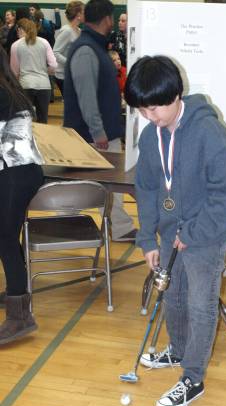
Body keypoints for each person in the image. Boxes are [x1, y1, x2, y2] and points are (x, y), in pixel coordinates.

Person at [124, 55, 226, 406]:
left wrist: (194, 231)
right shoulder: (151, 137)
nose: (150, 117)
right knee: (173, 296)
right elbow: (147, 189)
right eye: (142, 110)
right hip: (169, 233)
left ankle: (192, 378)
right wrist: (148, 239)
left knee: (199, 304)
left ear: (176, 95)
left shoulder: (209, 134)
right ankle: (177, 350)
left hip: (205, 236)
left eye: (155, 108)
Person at [64, 0, 136, 242]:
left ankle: (121, 227)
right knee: (104, 185)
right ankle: (117, 228)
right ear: (107, 19)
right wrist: (98, 132)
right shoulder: (86, 49)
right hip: (94, 136)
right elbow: (86, 96)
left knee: (108, 186)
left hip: (99, 133)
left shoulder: (93, 46)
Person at [0, 45, 44, 344]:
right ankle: (17, 291)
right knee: (6, 236)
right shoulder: (11, 88)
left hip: (14, 173)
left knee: (5, 238)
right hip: (22, 171)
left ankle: (20, 316)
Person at [10, 18, 57, 124]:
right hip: (44, 86)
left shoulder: (15, 45)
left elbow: (14, 72)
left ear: (21, 29)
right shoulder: (44, 42)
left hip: (25, 85)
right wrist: (44, 71)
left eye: (17, 30)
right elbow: (54, 65)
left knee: (24, 122)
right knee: (43, 121)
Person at [53, 1, 85, 97]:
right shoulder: (67, 30)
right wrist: (71, 62)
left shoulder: (79, 31)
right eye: (84, 12)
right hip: (64, 76)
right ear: (78, 15)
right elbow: (55, 52)